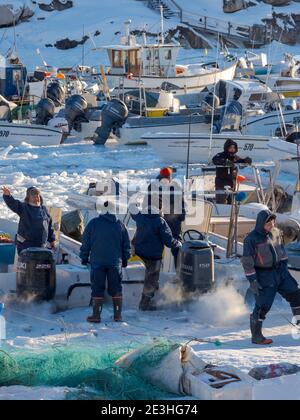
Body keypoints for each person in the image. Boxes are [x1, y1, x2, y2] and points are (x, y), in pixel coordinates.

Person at [242, 210, 300, 345]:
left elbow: (282, 252)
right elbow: (247, 262)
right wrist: (253, 281)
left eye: (272, 222)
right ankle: (256, 336)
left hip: (281, 273)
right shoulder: (251, 239)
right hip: (264, 275)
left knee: (296, 295)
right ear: (261, 223)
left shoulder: (276, 233)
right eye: (268, 222)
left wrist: (284, 267)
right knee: (263, 305)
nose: (271, 224)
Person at [80, 200, 131, 324]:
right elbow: (126, 246)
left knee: (97, 288)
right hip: (115, 262)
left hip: (97, 262)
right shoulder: (120, 225)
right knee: (116, 288)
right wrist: (124, 260)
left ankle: (96, 316)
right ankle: (118, 315)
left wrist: (84, 257)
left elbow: (86, 243)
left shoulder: (93, 224)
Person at [131, 197, 182, 311]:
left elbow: (132, 211)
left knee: (143, 277)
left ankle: (140, 298)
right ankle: (145, 304)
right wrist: (177, 244)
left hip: (139, 255)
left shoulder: (140, 216)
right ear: (159, 208)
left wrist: (134, 203)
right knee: (151, 279)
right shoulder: (160, 221)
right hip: (154, 257)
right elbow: (168, 240)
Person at [2, 186, 56, 255]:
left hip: (41, 246)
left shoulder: (44, 209)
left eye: (37, 196)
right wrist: (8, 196)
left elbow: (49, 226)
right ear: (28, 198)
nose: (36, 198)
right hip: (25, 246)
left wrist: (52, 240)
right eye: (33, 196)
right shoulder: (24, 207)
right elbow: (13, 203)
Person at [212, 139, 252, 204]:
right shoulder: (221, 155)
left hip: (232, 183)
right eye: (230, 147)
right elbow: (215, 160)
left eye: (234, 147)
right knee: (221, 202)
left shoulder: (235, 157)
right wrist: (225, 162)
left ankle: (230, 212)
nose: (232, 149)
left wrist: (246, 160)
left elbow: (240, 161)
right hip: (221, 184)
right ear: (226, 148)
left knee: (231, 203)